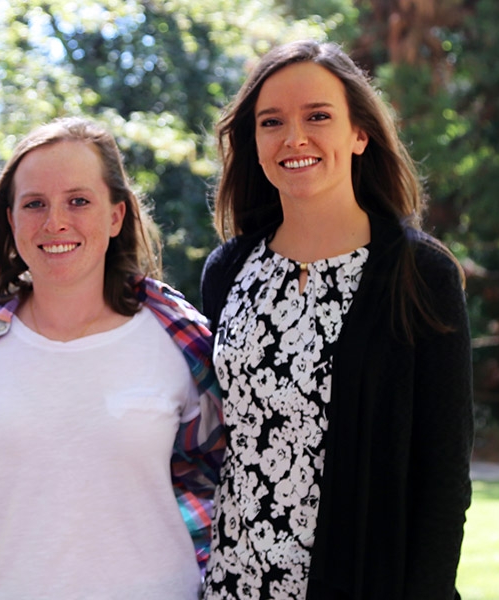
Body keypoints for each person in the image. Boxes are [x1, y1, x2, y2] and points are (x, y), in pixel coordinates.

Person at [199, 39, 472, 600]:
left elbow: (443, 477)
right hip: (233, 583)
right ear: (254, 141)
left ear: (359, 133)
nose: (294, 138)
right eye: (271, 121)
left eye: (318, 116)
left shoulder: (420, 275)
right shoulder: (228, 270)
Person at [0, 117, 225, 599]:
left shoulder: (179, 338)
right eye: (34, 204)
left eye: (78, 201)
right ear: (11, 221)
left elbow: (225, 482)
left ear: (116, 216)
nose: (55, 222)